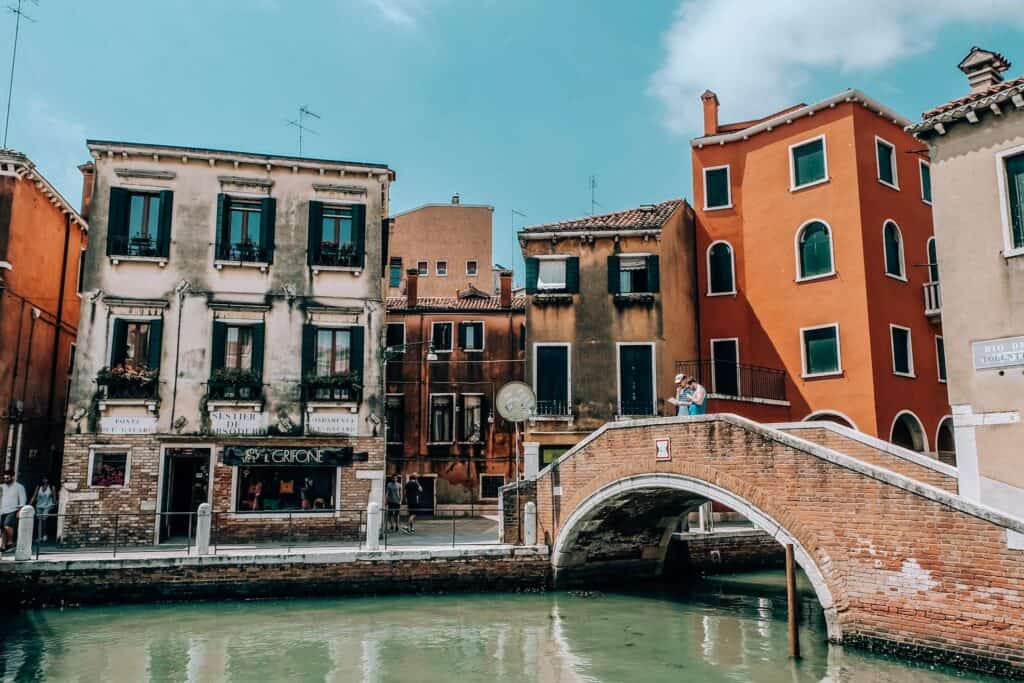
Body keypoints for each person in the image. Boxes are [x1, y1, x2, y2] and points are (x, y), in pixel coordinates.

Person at [1, 470, 26, 552]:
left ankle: (11, 542)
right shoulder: (2, 487)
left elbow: (23, 499)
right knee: (2, 528)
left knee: (7, 526)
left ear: (12, 477)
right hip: (2, 510)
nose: (6, 480)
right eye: (4, 478)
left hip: (13, 510)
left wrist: (20, 511)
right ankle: (3, 546)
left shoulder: (19, 487)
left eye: (7, 478)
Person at [30, 476, 56, 542]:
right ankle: (39, 536)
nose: (45, 480)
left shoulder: (51, 487)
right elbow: (34, 496)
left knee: (44, 519)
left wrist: (54, 504)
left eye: (46, 479)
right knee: (39, 521)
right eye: (43, 479)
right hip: (39, 505)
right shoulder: (39, 487)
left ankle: (45, 535)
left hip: (47, 505)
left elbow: (54, 497)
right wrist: (29, 504)